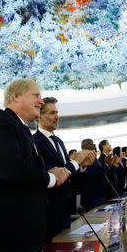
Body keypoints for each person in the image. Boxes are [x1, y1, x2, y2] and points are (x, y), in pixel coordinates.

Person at [0, 78, 69, 252]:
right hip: (5, 236)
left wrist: (47, 174)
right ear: (16, 96)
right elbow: (12, 168)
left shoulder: (23, 130)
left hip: (27, 235)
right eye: (36, 95)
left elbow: (27, 170)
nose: (41, 102)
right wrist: (51, 178)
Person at [32, 97, 94, 241]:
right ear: (40, 116)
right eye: (52, 113)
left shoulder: (59, 141)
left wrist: (82, 165)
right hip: (50, 215)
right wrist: (75, 162)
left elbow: (69, 176)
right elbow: (55, 176)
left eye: (57, 112)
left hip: (65, 213)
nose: (57, 116)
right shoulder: (34, 142)